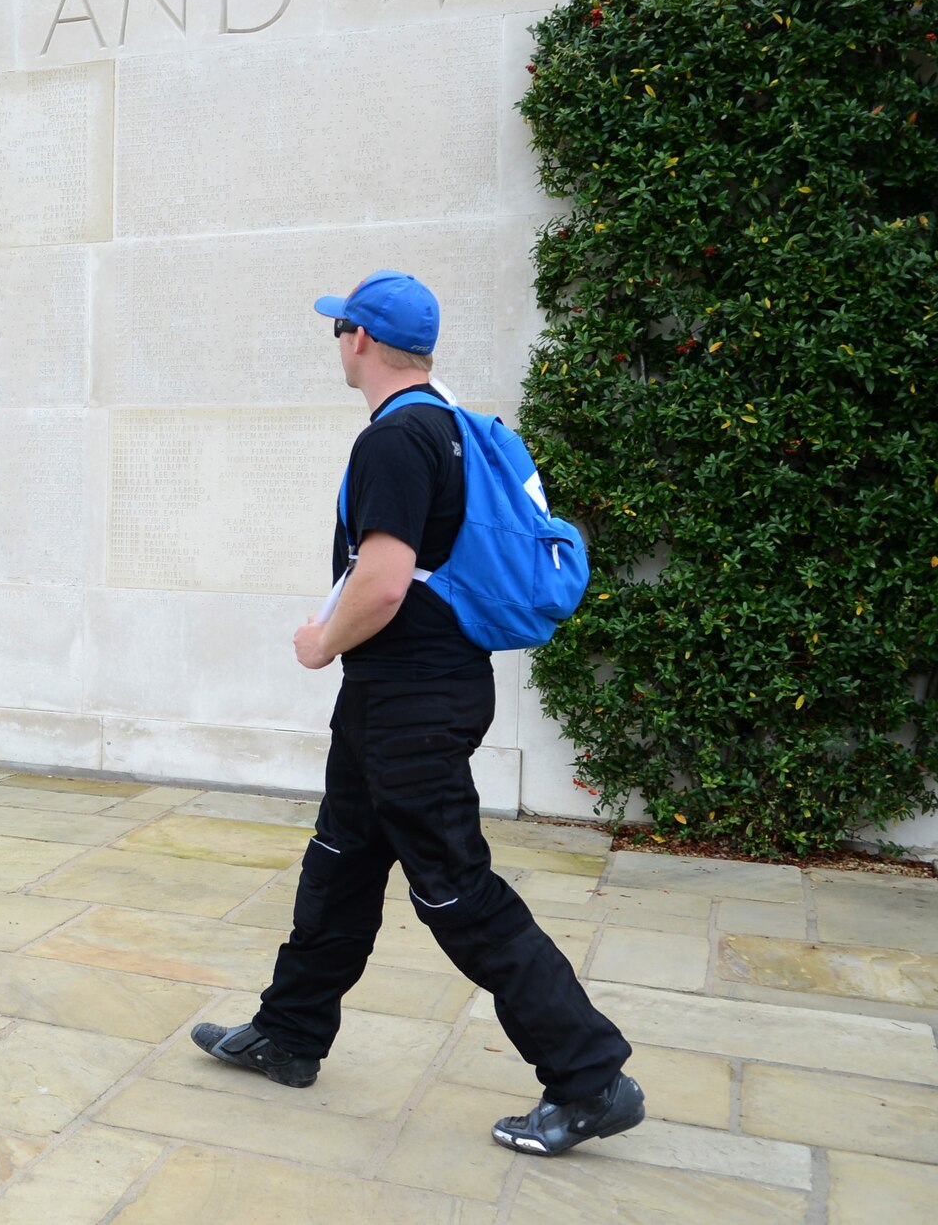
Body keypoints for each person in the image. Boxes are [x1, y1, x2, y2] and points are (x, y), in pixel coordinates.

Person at [189, 270, 644, 1157]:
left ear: (359, 339)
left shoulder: (398, 440)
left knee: (453, 887)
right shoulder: (449, 427)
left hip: (412, 699)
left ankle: (590, 1076)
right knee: (341, 861)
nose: (338, 343)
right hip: (398, 694)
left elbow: (386, 580)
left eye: (339, 330)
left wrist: (320, 640)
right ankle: (289, 1032)